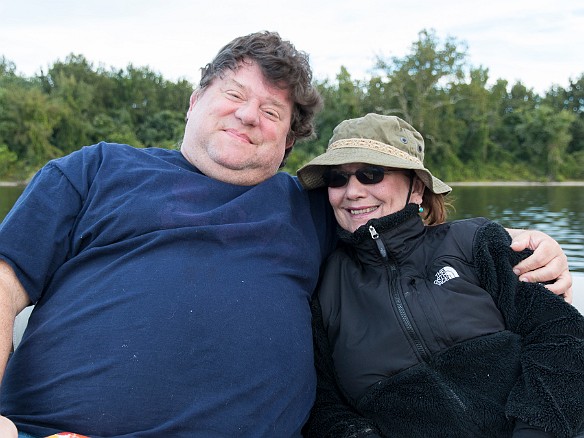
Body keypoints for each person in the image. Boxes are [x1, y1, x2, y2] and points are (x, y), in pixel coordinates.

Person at [0, 32, 573, 438]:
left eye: (272, 112)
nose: (249, 116)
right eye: (233, 94)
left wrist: (523, 245)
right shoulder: (96, 170)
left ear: (287, 146)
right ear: (196, 100)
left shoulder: (310, 206)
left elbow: (402, 235)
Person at [297, 113, 584, 438]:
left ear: (416, 188)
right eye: (337, 179)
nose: (352, 191)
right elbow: (325, 406)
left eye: (371, 173)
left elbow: (562, 335)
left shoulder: (479, 242)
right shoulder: (321, 287)